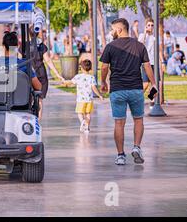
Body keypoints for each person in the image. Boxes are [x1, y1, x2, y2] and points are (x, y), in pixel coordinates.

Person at [100, 18, 157, 166]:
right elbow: (147, 67)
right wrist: (154, 84)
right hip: (136, 89)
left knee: (119, 123)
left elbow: (104, 67)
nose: (111, 32)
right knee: (138, 119)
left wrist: (103, 82)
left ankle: (120, 156)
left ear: (119, 30)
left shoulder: (110, 47)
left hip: (117, 89)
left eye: (112, 29)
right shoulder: (139, 46)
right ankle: (137, 147)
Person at [30, 27, 65, 120]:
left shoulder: (25, 46)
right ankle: (38, 122)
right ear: (38, 34)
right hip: (41, 74)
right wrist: (57, 74)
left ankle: (30, 121)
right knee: (40, 100)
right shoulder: (42, 46)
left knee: (28, 99)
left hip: (29, 74)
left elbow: (21, 60)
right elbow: (48, 61)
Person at [65, 60, 103, 133]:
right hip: (89, 100)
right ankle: (87, 127)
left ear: (81, 68)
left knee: (80, 113)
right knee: (88, 114)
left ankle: (83, 122)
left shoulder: (78, 77)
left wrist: (64, 81)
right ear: (90, 68)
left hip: (80, 100)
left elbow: (70, 82)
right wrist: (100, 95)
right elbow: (94, 88)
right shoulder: (92, 78)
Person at [138, 18, 157, 103]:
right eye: (148, 25)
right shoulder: (142, 35)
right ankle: (137, 99)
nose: (150, 27)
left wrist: (161, 62)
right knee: (145, 84)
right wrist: (145, 32)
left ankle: (151, 100)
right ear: (145, 26)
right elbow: (140, 45)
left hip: (154, 62)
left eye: (152, 25)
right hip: (145, 63)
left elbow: (158, 50)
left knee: (155, 83)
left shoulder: (155, 37)